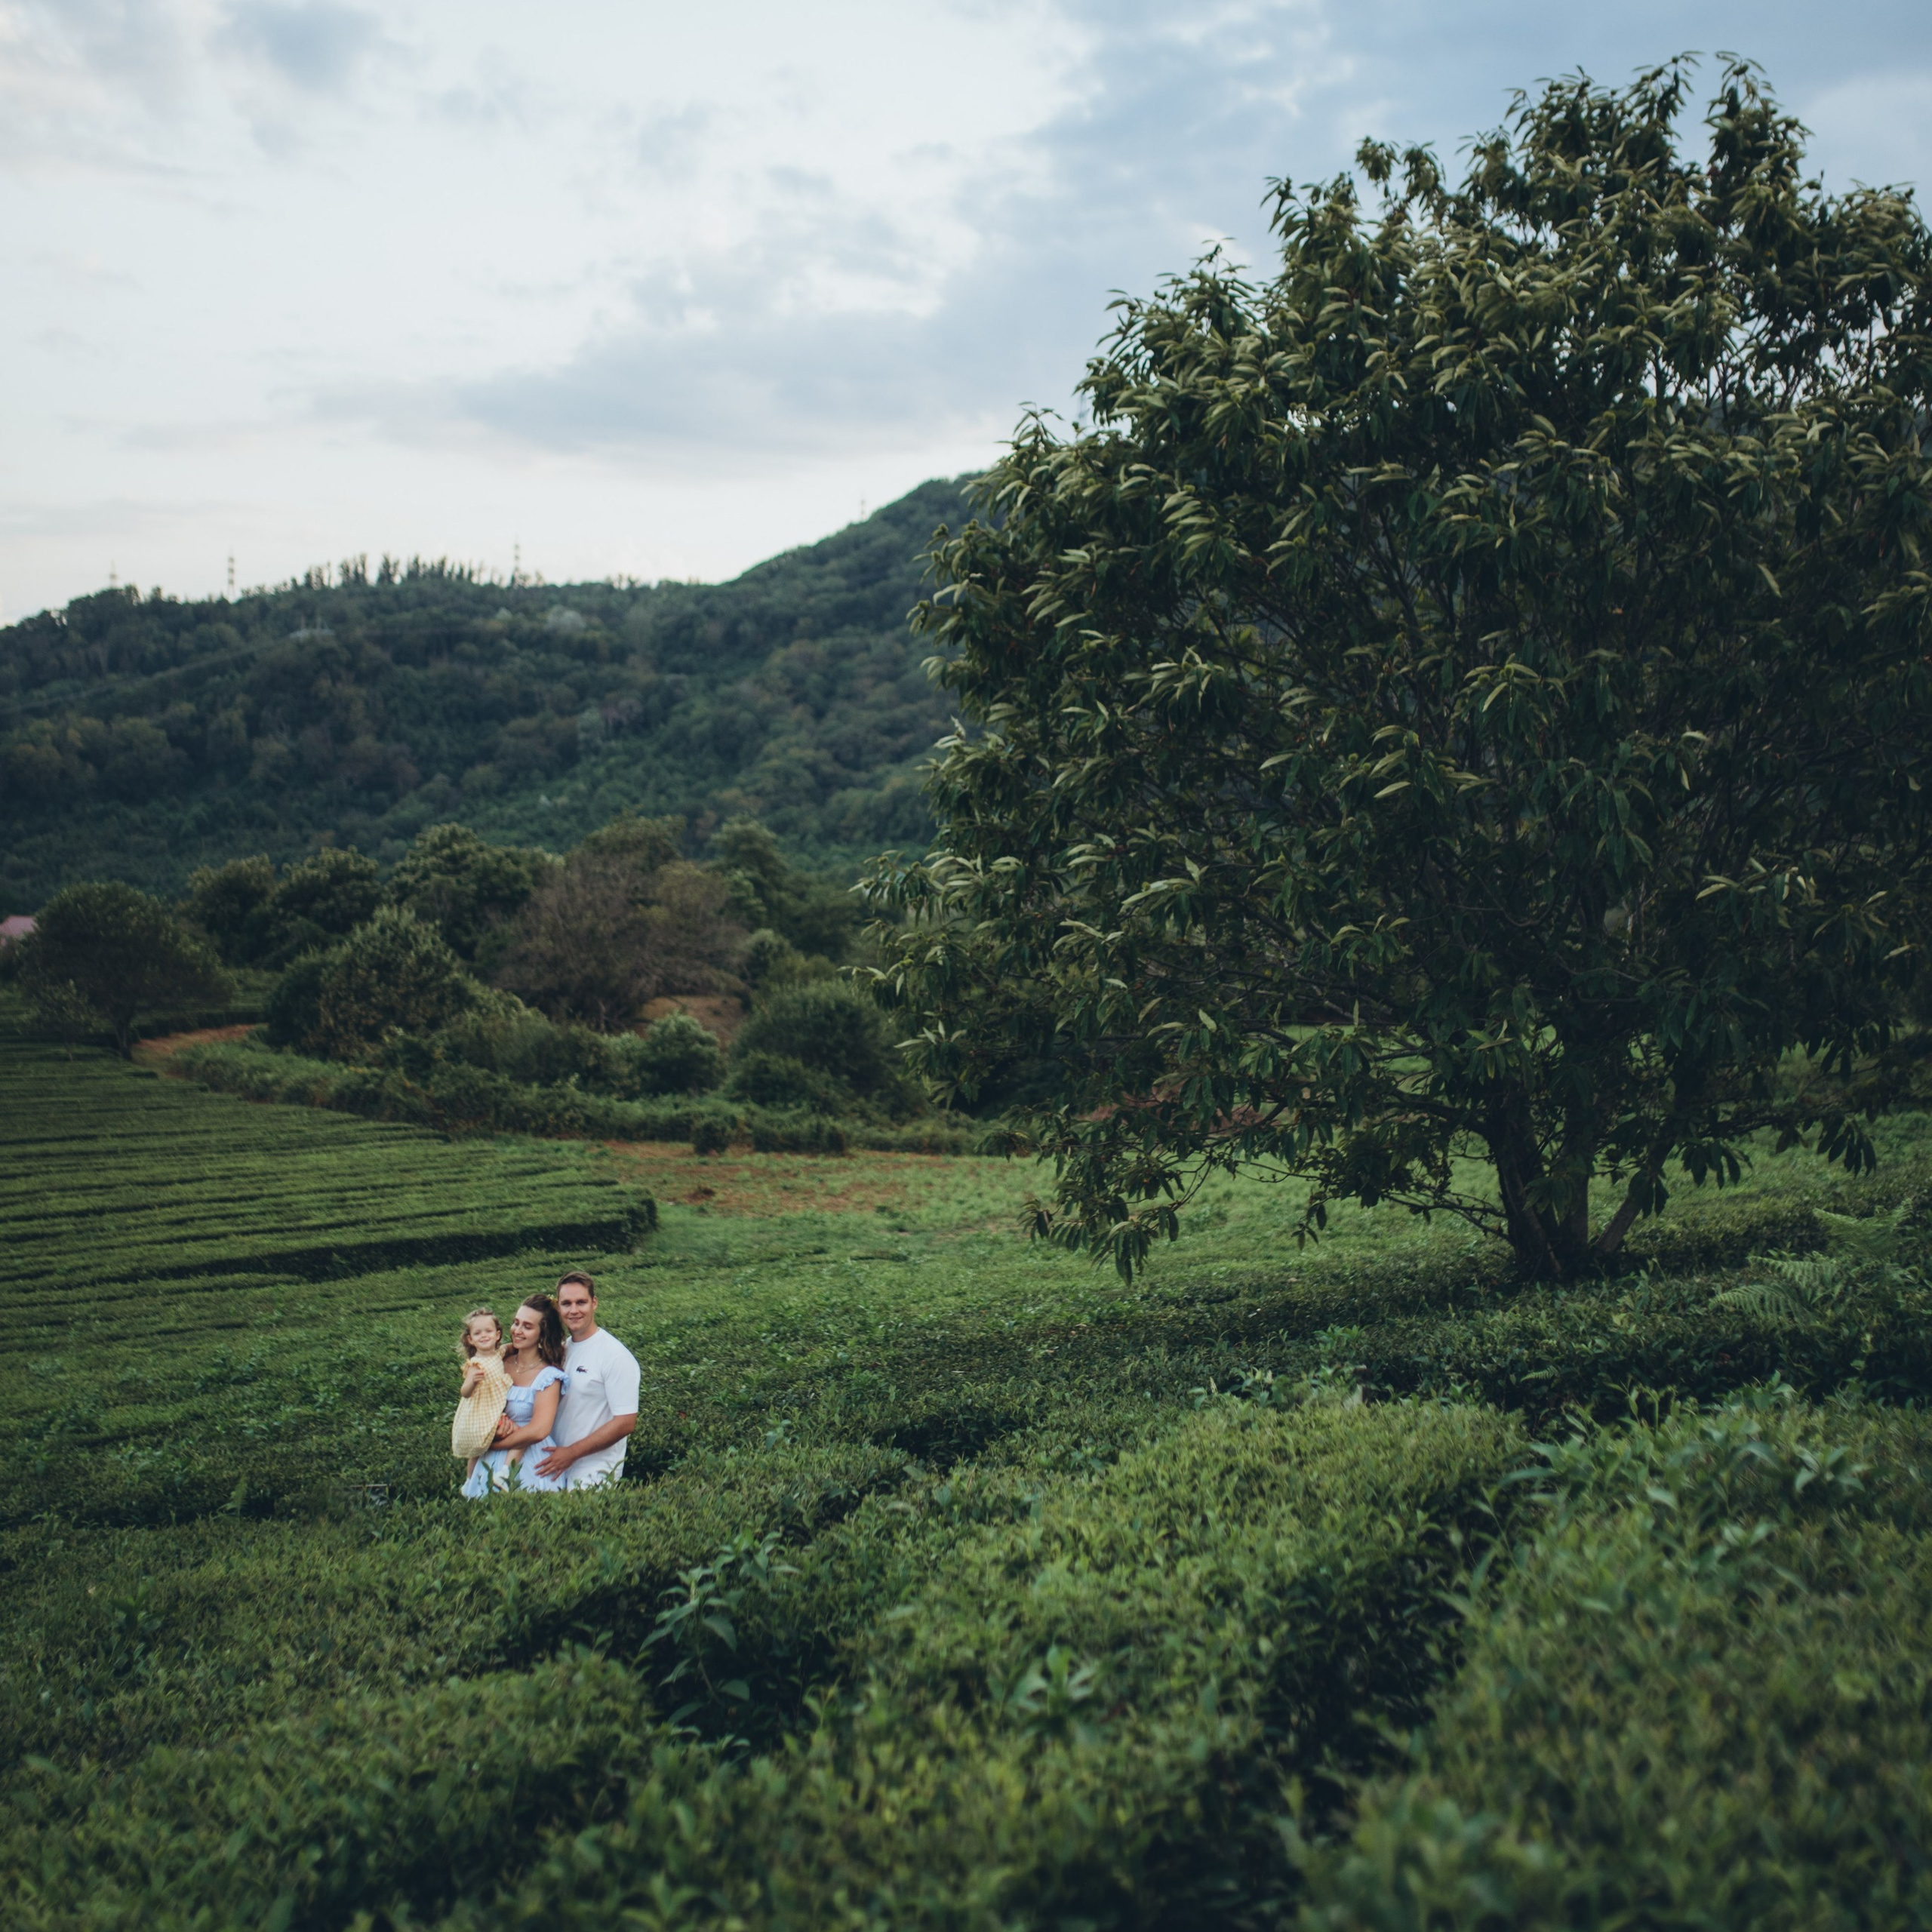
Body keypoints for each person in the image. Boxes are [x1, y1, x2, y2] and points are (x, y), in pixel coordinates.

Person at [534, 1270, 640, 1488]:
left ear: (594, 1303)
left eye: (581, 1302)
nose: (574, 1310)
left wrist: (571, 1453)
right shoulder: (562, 1350)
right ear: (558, 1308)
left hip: (594, 1472)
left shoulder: (615, 1356)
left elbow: (625, 1422)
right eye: (566, 1304)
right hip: (554, 1464)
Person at [461, 1293, 569, 1497]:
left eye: (527, 1327)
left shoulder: (549, 1376)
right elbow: (476, 1404)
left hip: (530, 1459)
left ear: (543, 1333)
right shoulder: (498, 1364)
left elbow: (539, 1430)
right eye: (516, 1323)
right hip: (488, 1459)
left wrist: (492, 1444)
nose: (517, 1331)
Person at [451, 1307, 511, 1485]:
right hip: (483, 1413)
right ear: (470, 1340)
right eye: (477, 1333)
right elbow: (465, 1392)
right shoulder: (476, 1364)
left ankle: (471, 1482)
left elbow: (512, 1347)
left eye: (488, 1331)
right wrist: (472, 1382)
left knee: (478, 1453)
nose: (484, 1336)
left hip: (494, 1408)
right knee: (518, 1434)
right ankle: (503, 1472)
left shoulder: (498, 1354)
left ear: (497, 1335)